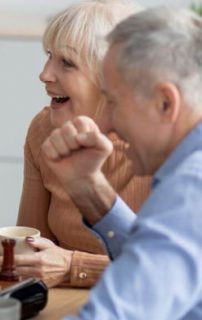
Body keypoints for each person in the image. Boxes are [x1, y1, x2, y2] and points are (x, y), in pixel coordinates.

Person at [43, 8, 202, 319]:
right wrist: (90, 191)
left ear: (165, 104)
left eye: (113, 103)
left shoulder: (190, 187)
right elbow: (154, 266)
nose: (104, 124)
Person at [14, 0, 149, 288]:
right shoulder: (43, 130)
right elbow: (34, 241)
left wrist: (73, 266)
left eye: (67, 63)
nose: (44, 74)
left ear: (112, 78)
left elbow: (170, 271)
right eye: (49, 56)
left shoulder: (162, 149)